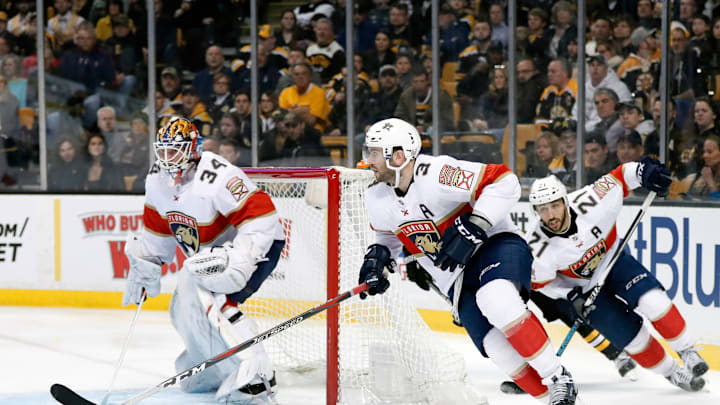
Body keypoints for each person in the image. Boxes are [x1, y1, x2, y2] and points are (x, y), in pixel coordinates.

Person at [358, 117, 578, 405]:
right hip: (454, 277)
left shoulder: (437, 173)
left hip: (494, 246)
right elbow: (388, 236)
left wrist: (475, 225)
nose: (367, 161)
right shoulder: (375, 196)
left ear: (399, 156)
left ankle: (558, 376)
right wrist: (377, 258)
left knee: (496, 299)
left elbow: (504, 181)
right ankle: (553, 398)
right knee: (496, 348)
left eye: (374, 153)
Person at [121, 116, 285, 403]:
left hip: (259, 243)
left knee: (220, 303)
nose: (167, 157)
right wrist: (147, 266)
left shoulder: (218, 174)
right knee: (183, 307)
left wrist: (240, 258)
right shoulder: (157, 180)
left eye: (176, 150)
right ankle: (213, 371)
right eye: (164, 150)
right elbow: (158, 231)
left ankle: (258, 376)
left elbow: (261, 216)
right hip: (206, 258)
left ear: (193, 149)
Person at [527, 162, 708, 393]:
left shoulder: (591, 201)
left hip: (614, 261)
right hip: (585, 290)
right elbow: (540, 284)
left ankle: (687, 351)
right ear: (535, 212)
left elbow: (622, 175)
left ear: (565, 200)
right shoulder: (536, 248)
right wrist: (570, 296)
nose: (550, 214)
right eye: (543, 209)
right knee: (633, 340)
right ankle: (672, 372)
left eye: (554, 206)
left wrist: (644, 172)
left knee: (653, 301)